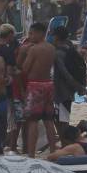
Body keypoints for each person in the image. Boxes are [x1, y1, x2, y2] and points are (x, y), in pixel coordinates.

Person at [16, 22, 60, 156]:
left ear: (40, 33)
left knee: (33, 120)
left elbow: (24, 69)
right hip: (48, 84)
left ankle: (31, 154)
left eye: (32, 33)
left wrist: (22, 53)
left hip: (35, 85)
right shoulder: (51, 48)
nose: (30, 36)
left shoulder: (34, 49)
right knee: (48, 120)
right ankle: (53, 151)